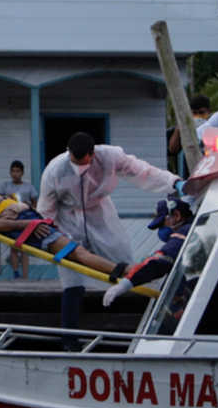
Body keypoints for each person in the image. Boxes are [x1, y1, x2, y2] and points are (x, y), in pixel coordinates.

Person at [38, 132, 183, 350]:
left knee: (122, 259)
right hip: (67, 219)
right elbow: (46, 208)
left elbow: (143, 172)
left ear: (93, 155)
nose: (80, 168)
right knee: (71, 276)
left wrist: (174, 183)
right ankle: (69, 340)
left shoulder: (110, 157)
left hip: (100, 213)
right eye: (75, 163)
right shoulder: (55, 169)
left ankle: (141, 325)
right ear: (68, 153)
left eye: (84, 163)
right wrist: (49, 234)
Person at [0, 182, 123, 275]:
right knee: (79, 253)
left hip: (30, 221)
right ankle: (124, 271)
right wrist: (29, 224)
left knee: (78, 254)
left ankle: (121, 271)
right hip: (30, 226)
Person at [103, 196, 194, 307]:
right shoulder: (195, 227)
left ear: (176, 216)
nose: (161, 230)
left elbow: (160, 262)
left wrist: (124, 285)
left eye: (162, 224)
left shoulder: (185, 232)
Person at [0, 160, 38, 279]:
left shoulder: (28, 187)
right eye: (13, 171)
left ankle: (25, 274)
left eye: (18, 171)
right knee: (14, 245)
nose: (15, 173)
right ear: (10, 173)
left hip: (25, 217)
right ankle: (16, 273)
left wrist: (27, 204)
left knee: (24, 246)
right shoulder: (6, 186)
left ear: (22, 173)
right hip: (11, 218)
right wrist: (7, 198)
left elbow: (35, 204)